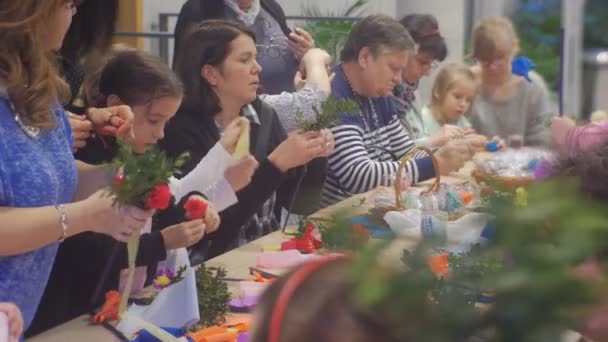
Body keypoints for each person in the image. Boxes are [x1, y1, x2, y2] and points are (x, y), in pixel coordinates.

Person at [29, 50, 256, 335]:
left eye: (165, 123)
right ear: (116, 107)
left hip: (123, 308)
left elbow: (160, 205)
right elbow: (85, 251)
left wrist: (193, 206)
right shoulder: (90, 154)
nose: (160, 133)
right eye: (153, 120)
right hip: (74, 314)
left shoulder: (141, 153)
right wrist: (161, 242)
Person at [0, 0, 152, 331]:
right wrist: (85, 216)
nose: (75, 14)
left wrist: (122, 178)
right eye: (68, 4)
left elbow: (55, 179)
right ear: (29, 12)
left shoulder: (39, 90)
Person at [162, 19, 334, 260]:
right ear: (211, 74)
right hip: (211, 269)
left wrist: (315, 156)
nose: (258, 68)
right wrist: (275, 165)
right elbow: (213, 229)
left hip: (264, 258)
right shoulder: (179, 130)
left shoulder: (263, 115)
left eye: (255, 58)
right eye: (244, 60)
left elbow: (299, 205)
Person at [321, 15, 473, 207]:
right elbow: (357, 174)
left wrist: (447, 154)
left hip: (372, 209)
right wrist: (435, 163)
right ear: (365, 57)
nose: (399, 80)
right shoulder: (334, 93)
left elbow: (405, 152)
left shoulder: (377, 93)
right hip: (337, 220)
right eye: (393, 68)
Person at [173, 0, 314, 95]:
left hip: (280, 113)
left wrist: (304, 54)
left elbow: (288, 48)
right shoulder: (199, 9)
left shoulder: (270, 6)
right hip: (227, 117)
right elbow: (186, 70)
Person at [468, 16, 552, 146]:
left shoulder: (533, 87)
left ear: (515, 47)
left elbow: (542, 141)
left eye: (500, 57)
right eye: (486, 60)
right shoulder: (465, 83)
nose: (493, 66)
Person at [392, 14, 465, 148]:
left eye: (431, 64)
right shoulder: (383, 94)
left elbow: (417, 139)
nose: (427, 72)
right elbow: (390, 155)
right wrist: (432, 140)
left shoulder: (410, 93)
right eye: (422, 62)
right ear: (401, 53)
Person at [417, 63, 488, 151]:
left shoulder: (462, 122)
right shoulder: (421, 119)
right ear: (438, 91)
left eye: (468, 100)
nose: (463, 104)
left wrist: (481, 142)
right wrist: (432, 141)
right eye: (457, 96)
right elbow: (407, 151)